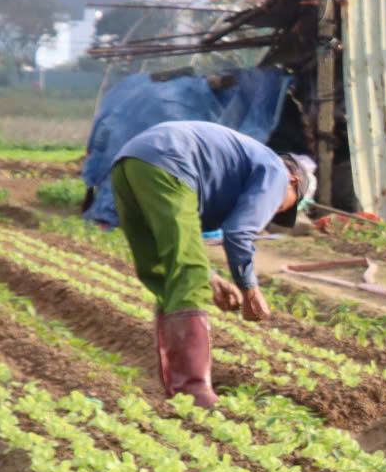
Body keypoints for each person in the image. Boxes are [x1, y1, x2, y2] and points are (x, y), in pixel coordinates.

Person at [108, 119, 315, 406]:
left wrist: (213, 277)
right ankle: (193, 392)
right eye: (283, 206)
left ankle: (176, 389)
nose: (273, 211)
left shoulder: (243, 166)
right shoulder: (276, 173)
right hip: (169, 162)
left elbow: (181, 245)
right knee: (187, 278)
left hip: (129, 163)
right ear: (293, 182)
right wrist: (249, 290)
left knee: (165, 271)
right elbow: (238, 233)